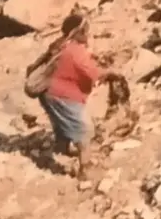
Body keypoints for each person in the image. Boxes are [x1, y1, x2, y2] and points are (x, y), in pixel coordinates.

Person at [28, 13, 118, 178]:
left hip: (48, 93)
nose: (88, 34)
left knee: (62, 122)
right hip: (62, 95)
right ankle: (85, 169)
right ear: (78, 33)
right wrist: (111, 73)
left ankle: (62, 148)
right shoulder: (76, 52)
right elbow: (93, 74)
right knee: (84, 128)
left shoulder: (63, 45)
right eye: (85, 31)